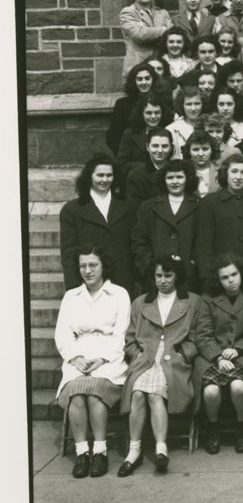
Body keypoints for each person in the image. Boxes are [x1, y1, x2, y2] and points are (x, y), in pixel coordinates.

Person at [118, 254, 200, 476]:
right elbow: (130, 339)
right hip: (145, 358)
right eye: (158, 275)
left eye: (168, 275)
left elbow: (197, 338)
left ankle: (160, 449)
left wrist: (183, 354)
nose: (163, 280)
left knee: (154, 393)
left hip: (173, 359)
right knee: (136, 393)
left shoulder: (192, 302)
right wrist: (137, 355)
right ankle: (133, 451)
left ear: (177, 276)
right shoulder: (141, 302)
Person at [54, 244, 131, 478]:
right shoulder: (71, 296)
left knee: (96, 390)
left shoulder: (119, 294)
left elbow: (122, 333)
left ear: (103, 266)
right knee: (77, 391)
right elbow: (63, 333)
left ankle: (100, 451)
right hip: (78, 353)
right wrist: (74, 358)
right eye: (83, 266)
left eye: (93, 265)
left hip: (109, 355)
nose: (87, 270)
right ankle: (81, 452)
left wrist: (103, 358)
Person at [192, 254, 243, 454]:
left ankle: (242, 426)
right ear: (217, 280)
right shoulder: (207, 300)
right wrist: (218, 357)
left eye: (234, 274)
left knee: (238, 387)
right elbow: (202, 335)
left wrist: (238, 349)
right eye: (225, 277)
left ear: (242, 273)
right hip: (211, 355)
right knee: (210, 391)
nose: (231, 280)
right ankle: (213, 427)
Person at [60, 155, 136, 293]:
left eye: (109, 175)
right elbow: (69, 253)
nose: (105, 180)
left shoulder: (128, 205)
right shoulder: (72, 210)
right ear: (90, 176)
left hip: (123, 280)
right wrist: (74, 288)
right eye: (100, 175)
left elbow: (135, 244)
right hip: (90, 283)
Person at [130, 159, 201, 291]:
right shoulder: (148, 207)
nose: (175, 182)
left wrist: (192, 266)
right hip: (156, 279)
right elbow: (139, 242)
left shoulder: (199, 205)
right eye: (170, 177)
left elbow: (203, 242)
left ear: (188, 179)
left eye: (179, 177)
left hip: (189, 279)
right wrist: (150, 267)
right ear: (163, 180)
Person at [120, 0, 173, 75]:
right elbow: (139, 35)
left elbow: (170, 36)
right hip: (137, 69)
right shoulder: (128, 12)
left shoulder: (163, 13)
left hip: (159, 69)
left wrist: (150, 32)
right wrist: (163, 30)